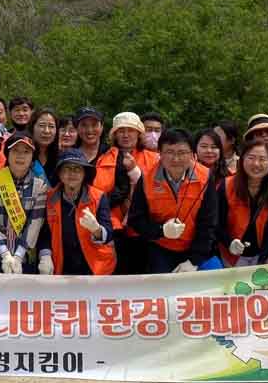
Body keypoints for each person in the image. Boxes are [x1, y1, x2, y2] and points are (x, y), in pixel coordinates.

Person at [127, 128, 218, 273]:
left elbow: (209, 223)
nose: (176, 159)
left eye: (182, 153)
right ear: (160, 153)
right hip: (161, 247)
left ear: (192, 154)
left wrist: (194, 260)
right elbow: (135, 220)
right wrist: (161, 230)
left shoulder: (205, 177)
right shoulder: (146, 179)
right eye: (169, 152)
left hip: (197, 247)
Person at [94, 112, 159, 274]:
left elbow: (157, 190)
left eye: (130, 130)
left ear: (139, 133)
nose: (125, 135)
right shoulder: (104, 158)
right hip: (114, 228)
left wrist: (134, 172)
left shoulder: (154, 158)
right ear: (115, 135)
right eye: (121, 131)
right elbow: (98, 193)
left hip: (145, 228)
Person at [0, 132, 49, 273]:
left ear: (33, 157)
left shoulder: (40, 186)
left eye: (26, 152)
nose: (20, 156)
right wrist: (5, 253)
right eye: (15, 150)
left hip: (23, 257)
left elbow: (35, 224)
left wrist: (18, 256)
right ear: (7, 154)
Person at [37, 149, 116, 275]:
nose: (72, 173)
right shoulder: (49, 198)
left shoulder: (98, 197)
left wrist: (97, 230)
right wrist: (45, 255)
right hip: (61, 266)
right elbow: (45, 233)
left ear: (84, 173)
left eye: (77, 169)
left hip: (94, 267)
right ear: (59, 173)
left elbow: (109, 234)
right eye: (67, 168)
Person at [218, 138, 268, 267]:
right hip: (229, 257)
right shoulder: (226, 185)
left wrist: (263, 262)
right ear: (242, 159)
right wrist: (229, 243)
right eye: (251, 158)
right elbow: (217, 223)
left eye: (262, 159)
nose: (256, 164)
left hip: (262, 258)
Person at [194, 127, 231, 193]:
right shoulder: (186, 175)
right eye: (204, 146)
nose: (209, 151)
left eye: (214, 147)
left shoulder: (230, 176)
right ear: (195, 148)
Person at [29, 107, 60, 185]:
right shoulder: (22, 154)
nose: (46, 131)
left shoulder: (60, 158)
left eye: (51, 126)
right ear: (32, 127)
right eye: (41, 125)